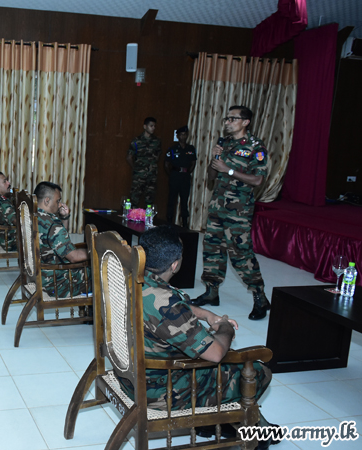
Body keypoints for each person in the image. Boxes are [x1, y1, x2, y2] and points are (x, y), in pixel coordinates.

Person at [118, 226, 276, 447]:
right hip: (159, 392)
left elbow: (167, 305)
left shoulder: (128, 277)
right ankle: (251, 432)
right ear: (175, 264)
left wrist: (206, 314)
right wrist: (225, 327)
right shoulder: (168, 304)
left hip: (128, 377)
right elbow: (216, 353)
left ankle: (220, 424)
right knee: (258, 370)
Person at [190, 106, 270, 321]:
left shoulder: (256, 146)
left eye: (232, 119)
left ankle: (260, 297)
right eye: (226, 118)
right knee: (212, 250)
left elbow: (258, 180)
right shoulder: (224, 143)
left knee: (240, 252)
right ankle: (211, 291)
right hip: (217, 206)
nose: (227, 122)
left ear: (245, 122)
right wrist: (215, 159)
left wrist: (229, 170)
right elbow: (211, 176)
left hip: (238, 211)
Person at [33, 182, 90, 298]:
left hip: (36, 274)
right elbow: (74, 257)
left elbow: (58, 238)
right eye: (58, 201)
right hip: (56, 283)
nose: (60, 205)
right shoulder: (52, 223)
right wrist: (96, 252)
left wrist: (64, 217)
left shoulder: (31, 215)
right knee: (102, 271)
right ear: (47, 201)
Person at [164, 125, 197, 228]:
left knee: (184, 201)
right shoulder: (172, 149)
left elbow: (193, 163)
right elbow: (166, 164)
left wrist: (188, 172)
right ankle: (169, 222)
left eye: (185, 134)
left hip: (185, 177)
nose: (183, 136)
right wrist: (171, 174)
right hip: (175, 175)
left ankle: (185, 223)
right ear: (177, 136)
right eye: (181, 135)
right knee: (171, 200)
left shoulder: (191, 148)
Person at [127, 117, 162, 208]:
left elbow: (158, 156)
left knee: (149, 201)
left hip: (152, 175)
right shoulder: (136, 141)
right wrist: (136, 168)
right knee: (134, 199)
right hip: (139, 175)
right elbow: (129, 157)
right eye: (151, 126)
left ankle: (148, 217)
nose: (153, 128)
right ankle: (132, 215)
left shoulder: (156, 141)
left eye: (154, 126)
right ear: (145, 126)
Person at [0, 171, 17, 252]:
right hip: (10, 241)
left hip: (0, 237)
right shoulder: (3, 203)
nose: (8, 183)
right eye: (4, 181)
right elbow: (18, 222)